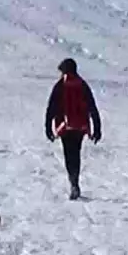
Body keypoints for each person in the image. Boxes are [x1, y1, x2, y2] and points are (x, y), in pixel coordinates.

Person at [43, 57, 101, 200]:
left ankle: (73, 183)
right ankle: (75, 182)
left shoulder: (60, 86)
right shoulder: (82, 85)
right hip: (80, 126)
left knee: (69, 154)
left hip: (64, 127)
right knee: (76, 153)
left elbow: (51, 107)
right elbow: (92, 107)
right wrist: (97, 128)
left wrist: (48, 128)